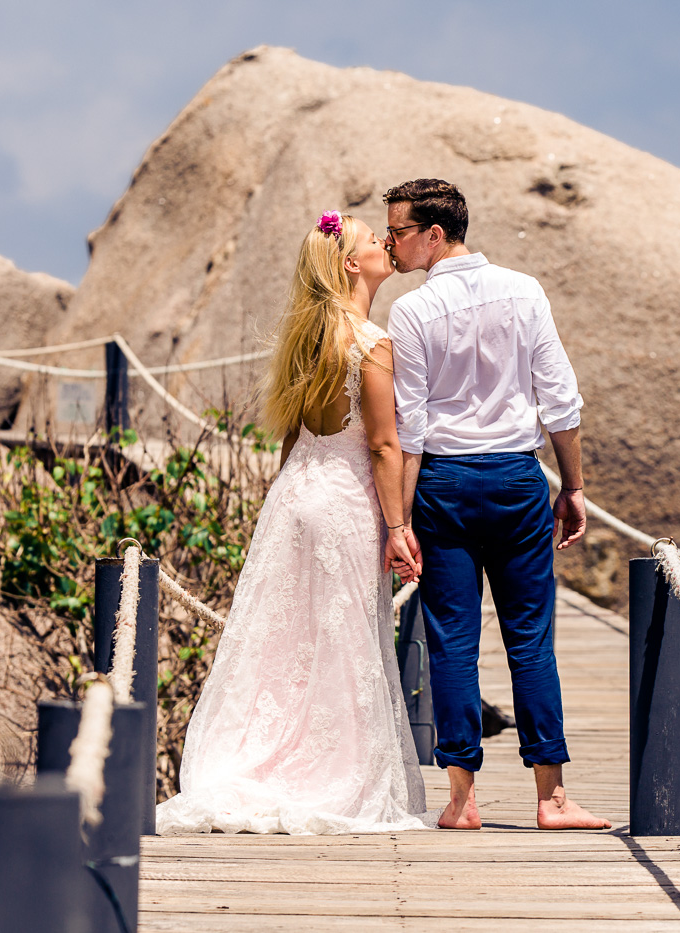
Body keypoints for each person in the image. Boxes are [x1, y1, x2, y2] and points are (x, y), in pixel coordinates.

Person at [155, 210, 427, 835]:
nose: (386, 243)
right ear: (351, 264)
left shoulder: (307, 337)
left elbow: (291, 435)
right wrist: (397, 527)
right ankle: (328, 771)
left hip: (297, 493)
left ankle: (262, 756)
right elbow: (384, 446)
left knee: (287, 637)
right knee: (344, 637)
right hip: (346, 501)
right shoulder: (370, 342)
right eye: (371, 240)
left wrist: (285, 500)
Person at [383, 178, 612, 831]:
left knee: (452, 641)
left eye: (399, 230)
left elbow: (414, 431)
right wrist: (573, 487)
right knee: (531, 639)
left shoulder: (412, 312)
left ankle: (461, 801)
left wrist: (399, 522)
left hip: (445, 486)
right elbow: (560, 400)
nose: (391, 242)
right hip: (516, 480)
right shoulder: (524, 290)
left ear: (434, 233)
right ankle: (552, 798)